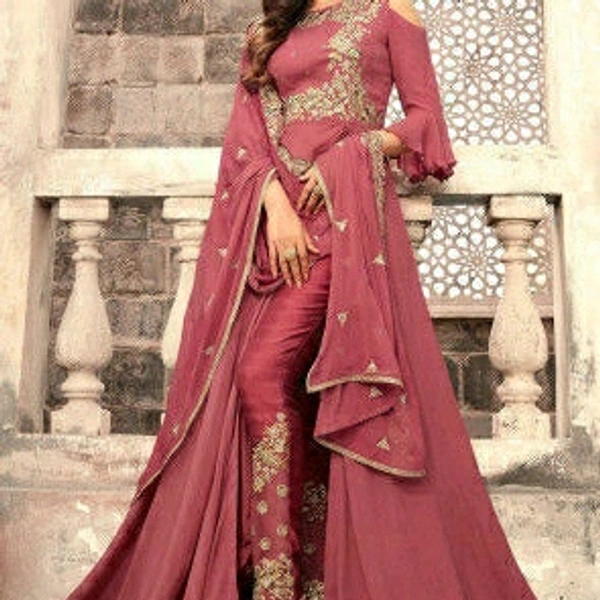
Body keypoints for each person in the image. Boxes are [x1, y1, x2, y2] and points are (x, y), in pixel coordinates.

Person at [66, 0, 539, 598]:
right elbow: (246, 138)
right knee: (285, 389)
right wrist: (273, 203)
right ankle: (298, 575)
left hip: (344, 224)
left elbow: (426, 120)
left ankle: (277, 578)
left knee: (261, 373)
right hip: (273, 231)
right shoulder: (272, 28)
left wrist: (354, 153)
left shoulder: (390, 12)